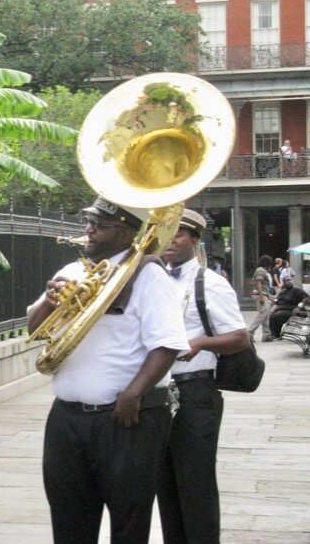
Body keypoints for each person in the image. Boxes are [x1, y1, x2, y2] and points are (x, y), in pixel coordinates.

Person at [26, 197, 190, 544]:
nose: (88, 230)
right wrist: (48, 300)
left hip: (123, 419)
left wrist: (134, 394)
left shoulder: (148, 275)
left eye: (99, 225)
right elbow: (33, 328)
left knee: (129, 522)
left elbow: (168, 343)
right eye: (88, 222)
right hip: (66, 419)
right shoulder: (72, 272)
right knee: (68, 520)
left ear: (125, 234)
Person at [157, 209, 250, 544]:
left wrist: (198, 344)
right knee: (164, 484)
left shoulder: (210, 283)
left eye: (179, 234)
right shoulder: (157, 280)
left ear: (194, 240)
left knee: (195, 484)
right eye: (167, 233)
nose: (170, 241)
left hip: (195, 392)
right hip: (159, 393)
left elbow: (239, 337)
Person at [248, 254, 275, 342]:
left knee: (265, 315)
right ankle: (250, 332)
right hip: (259, 294)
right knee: (263, 314)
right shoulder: (261, 271)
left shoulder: (261, 270)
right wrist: (261, 296)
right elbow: (259, 283)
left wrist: (267, 296)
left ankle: (266, 335)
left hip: (262, 294)